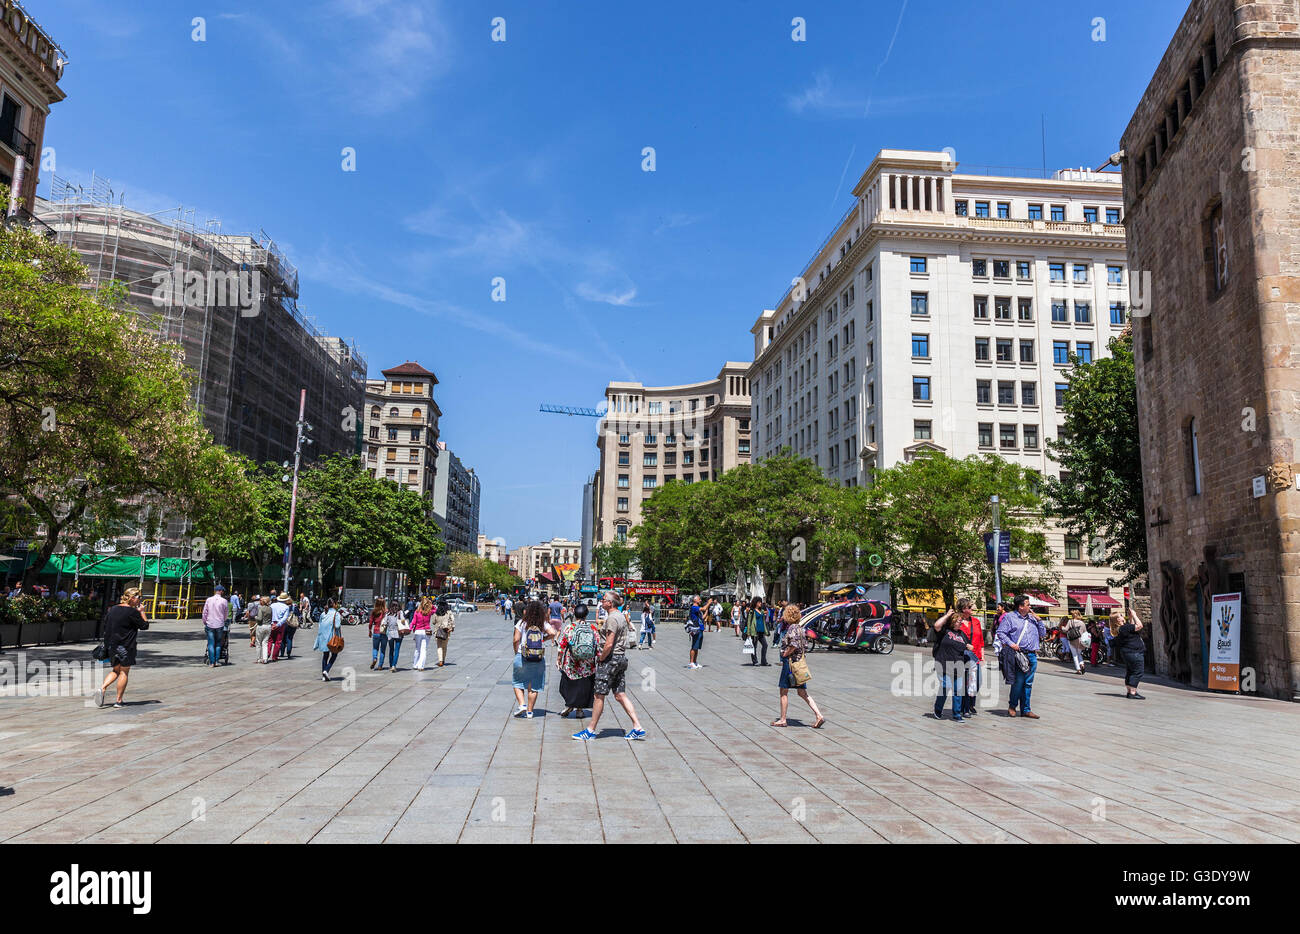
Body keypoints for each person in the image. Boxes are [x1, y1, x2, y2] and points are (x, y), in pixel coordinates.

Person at [573, 591, 645, 740]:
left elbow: (609, 643)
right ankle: (637, 726)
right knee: (619, 694)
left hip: (610, 660)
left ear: (610, 603)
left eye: (604, 599)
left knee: (599, 695)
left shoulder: (612, 618)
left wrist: (601, 658)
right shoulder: (621, 617)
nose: (601, 601)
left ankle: (590, 730)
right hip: (620, 658)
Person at [94, 587, 149, 709]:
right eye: (138, 597)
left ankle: (102, 688)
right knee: (124, 672)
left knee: (115, 670)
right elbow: (145, 626)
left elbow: (106, 626)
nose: (140, 600)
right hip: (126, 646)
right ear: (132, 598)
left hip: (112, 646)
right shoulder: (132, 612)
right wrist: (142, 611)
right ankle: (118, 700)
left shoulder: (113, 609)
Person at [771, 604, 824, 728]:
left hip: (790, 664)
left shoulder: (792, 628)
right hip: (799, 663)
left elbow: (794, 644)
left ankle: (783, 719)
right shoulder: (801, 628)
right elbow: (804, 645)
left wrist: (785, 653)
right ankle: (819, 715)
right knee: (802, 692)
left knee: (783, 691)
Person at [995, 593, 1046, 719]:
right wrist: (1011, 644)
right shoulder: (1010, 618)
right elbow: (1001, 633)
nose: (1030, 607)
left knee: (1028, 683)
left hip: (1032, 654)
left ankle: (1026, 709)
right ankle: (1012, 706)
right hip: (1018, 655)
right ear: (1020, 606)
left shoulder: (1032, 618)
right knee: (1018, 682)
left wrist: (1039, 620)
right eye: (1028, 604)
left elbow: (1043, 633)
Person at [512, 600, 556, 718]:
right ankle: (530, 712)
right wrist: (544, 639)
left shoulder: (522, 622)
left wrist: (517, 651)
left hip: (523, 655)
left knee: (517, 682)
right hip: (538, 657)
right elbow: (553, 632)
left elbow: (516, 639)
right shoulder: (542, 623)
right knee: (534, 685)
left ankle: (522, 705)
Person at [931, 605, 973, 722]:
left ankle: (956, 714)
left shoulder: (961, 634)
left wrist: (969, 646)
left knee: (958, 690)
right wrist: (948, 615)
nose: (961, 623)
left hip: (958, 665)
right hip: (943, 664)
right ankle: (938, 709)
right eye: (960, 621)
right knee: (946, 686)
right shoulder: (944, 631)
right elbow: (936, 625)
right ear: (953, 621)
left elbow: (968, 645)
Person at [557, 601, 599, 718]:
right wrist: (598, 659)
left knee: (568, 684)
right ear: (586, 615)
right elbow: (597, 644)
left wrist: (559, 659)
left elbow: (562, 645)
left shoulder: (570, 627)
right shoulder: (592, 628)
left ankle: (569, 704)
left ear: (575, 615)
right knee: (583, 686)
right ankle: (579, 710)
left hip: (572, 662)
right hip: (588, 664)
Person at [954, 598, 984, 716]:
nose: (972, 609)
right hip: (961, 657)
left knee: (977, 681)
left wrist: (982, 657)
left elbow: (981, 640)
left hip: (975, 657)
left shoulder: (976, 621)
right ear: (963, 609)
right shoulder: (957, 622)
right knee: (964, 683)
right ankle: (964, 707)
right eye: (970, 607)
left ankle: (970, 703)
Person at [1112, 607, 1147, 699]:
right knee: (1138, 672)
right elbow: (1139, 626)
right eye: (1121, 615)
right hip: (1134, 652)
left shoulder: (1121, 629)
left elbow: (1131, 628)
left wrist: (1130, 617)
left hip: (1128, 653)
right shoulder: (1124, 628)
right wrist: (1135, 615)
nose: (1123, 616)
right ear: (1117, 619)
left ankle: (1130, 691)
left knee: (1131, 671)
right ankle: (1132, 692)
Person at [315, 599, 343, 681]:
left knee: (325, 655)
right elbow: (337, 625)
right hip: (332, 637)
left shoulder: (323, 613)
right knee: (334, 654)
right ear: (334, 604)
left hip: (323, 636)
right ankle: (326, 670)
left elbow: (320, 624)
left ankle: (324, 676)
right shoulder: (336, 613)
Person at [201, 584, 229, 668]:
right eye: (222, 591)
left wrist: (205, 621)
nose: (223, 592)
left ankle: (212, 662)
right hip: (219, 624)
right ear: (220, 591)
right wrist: (223, 620)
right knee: (218, 643)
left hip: (210, 624)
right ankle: (216, 661)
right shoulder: (224, 601)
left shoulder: (209, 600)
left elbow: (204, 612)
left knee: (210, 643)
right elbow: (226, 613)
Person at [410, 596, 434, 670]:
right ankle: (421, 666)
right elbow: (435, 609)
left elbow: (413, 622)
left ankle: (415, 664)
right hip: (426, 631)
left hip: (418, 631)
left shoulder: (417, 612)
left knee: (417, 649)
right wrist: (430, 604)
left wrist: (410, 629)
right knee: (423, 649)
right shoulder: (429, 612)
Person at [745, 596, 770, 666]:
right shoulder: (752, 611)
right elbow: (749, 622)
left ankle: (763, 661)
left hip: (761, 631)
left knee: (765, 645)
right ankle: (755, 661)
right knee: (754, 646)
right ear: (756, 603)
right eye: (759, 602)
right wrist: (748, 633)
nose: (760, 603)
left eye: (761, 602)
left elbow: (764, 621)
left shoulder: (761, 611)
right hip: (754, 631)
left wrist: (766, 631)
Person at [1063, 608, 1088, 675]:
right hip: (1080, 641)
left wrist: (1062, 627)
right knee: (1079, 654)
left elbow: (1065, 630)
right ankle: (1082, 664)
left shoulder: (1070, 622)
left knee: (1075, 655)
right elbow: (1085, 632)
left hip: (1072, 641)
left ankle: (1078, 669)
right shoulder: (1082, 623)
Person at [384, 599, 407, 671]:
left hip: (390, 634)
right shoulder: (400, 613)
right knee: (397, 650)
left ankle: (391, 665)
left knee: (391, 650)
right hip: (399, 633)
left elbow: (384, 623)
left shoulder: (387, 613)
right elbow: (403, 621)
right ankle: (394, 665)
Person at [268, 592, 292, 662]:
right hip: (280, 624)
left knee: (270, 640)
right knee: (278, 641)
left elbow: (270, 614)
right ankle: (274, 656)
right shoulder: (286, 607)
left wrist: (272, 623)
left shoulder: (272, 605)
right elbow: (284, 618)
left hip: (272, 623)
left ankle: (267, 653)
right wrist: (278, 624)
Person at [433, 595, 455, 667]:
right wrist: (452, 628)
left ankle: (440, 661)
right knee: (444, 646)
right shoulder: (449, 612)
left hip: (438, 631)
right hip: (446, 631)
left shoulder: (437, 612)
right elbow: (453, 620)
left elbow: (433, 621)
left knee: (439, 646)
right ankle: (443, 660)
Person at [251, 595, 272, 662]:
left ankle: (258, 658)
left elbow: (259, 619)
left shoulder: (261, 608)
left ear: (263, 602)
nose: (259, 601)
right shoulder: (270, 608)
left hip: (261, 626)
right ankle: (265, 659)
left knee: (258, 642)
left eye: (260, 600)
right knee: (265, 642)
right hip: (268, 626)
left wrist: (255, 617)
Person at [369, 598, 389, 670]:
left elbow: (370, 622)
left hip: (376, 632)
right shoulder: (386, 612)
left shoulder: (374, 611)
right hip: (384, 632)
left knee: (375, 648)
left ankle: (374, 658)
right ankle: (380, 665)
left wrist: (369, 630)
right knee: (383, 649)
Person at [686, 596, 705, 669]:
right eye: (699, 599)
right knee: (694, 646)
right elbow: (703, 608)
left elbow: (702, 618)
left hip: (700, 628)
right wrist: (708, 603)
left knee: (697, 647)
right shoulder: (694, 607)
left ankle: (695, 662)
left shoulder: (698, 609)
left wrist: (707, 610)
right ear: (695, 600)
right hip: (695, 629)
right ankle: (691, 663)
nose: (700, 600)